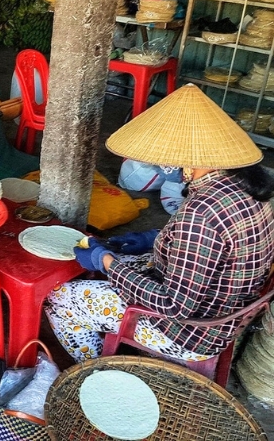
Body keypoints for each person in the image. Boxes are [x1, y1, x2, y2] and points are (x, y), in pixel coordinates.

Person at [44, 84, 274, 363]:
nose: (166, 164)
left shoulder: (201, 214)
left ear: (192, 160)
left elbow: (173, 306)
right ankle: (108, 333)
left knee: (59, 298)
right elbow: (212, 248)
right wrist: (153, 238)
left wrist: (107, 263)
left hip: (190, 333)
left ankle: (95, 369)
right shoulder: (248, 187)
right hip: (224, 306)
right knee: (118, 263)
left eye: (170, 158)